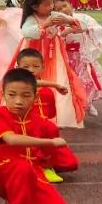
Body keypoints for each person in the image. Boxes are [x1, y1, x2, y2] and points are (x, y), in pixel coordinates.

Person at [0, 68, 75, 204]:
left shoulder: (39, 121)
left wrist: (50, 151)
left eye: (26, 96)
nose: (18, 101)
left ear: (35, 97)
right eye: (12, 95)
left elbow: (51, 147)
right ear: (3, 95)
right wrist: (50, 142)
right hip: (0, 171)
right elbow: (11, 139)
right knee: (22, 167)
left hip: (30, 173)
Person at [17, 0, 86, 128]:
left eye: (51, 3)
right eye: (46, 4)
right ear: (34, 7)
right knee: (28, 79)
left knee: (60, 77)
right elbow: (27, 33)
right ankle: (24, 113)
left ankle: (61, 117)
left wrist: (69, 21)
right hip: (33, 52)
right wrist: (45, 24)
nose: (51, 7)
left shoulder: (55, 15)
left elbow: (79, 25)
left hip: (54, 53)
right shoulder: (31, 18)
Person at [14, 49, 80, 182]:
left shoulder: (47, 92)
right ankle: (43, 167)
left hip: (44, 134)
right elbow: (30, 84)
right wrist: (55, 84)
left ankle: (41, 164)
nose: (31, 70)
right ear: (17, 68)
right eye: (26, 67)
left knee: (70, 163)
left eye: (36, 66)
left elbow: (50, 115)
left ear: (43, 67)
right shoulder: (17, 89)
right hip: (25, 133)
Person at [54, 0, 102, 115]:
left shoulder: (83, 17)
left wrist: (85, 29)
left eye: (65, 6)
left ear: (71, 5)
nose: (63, 10)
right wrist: (63, 33)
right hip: (66, 58)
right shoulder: (56, 24)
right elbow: (52, 38)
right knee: (71, 83)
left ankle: (88, 103)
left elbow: (98, 29)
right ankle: (74, 107)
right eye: (58, 9)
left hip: (82, 56)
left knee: (88, 81)